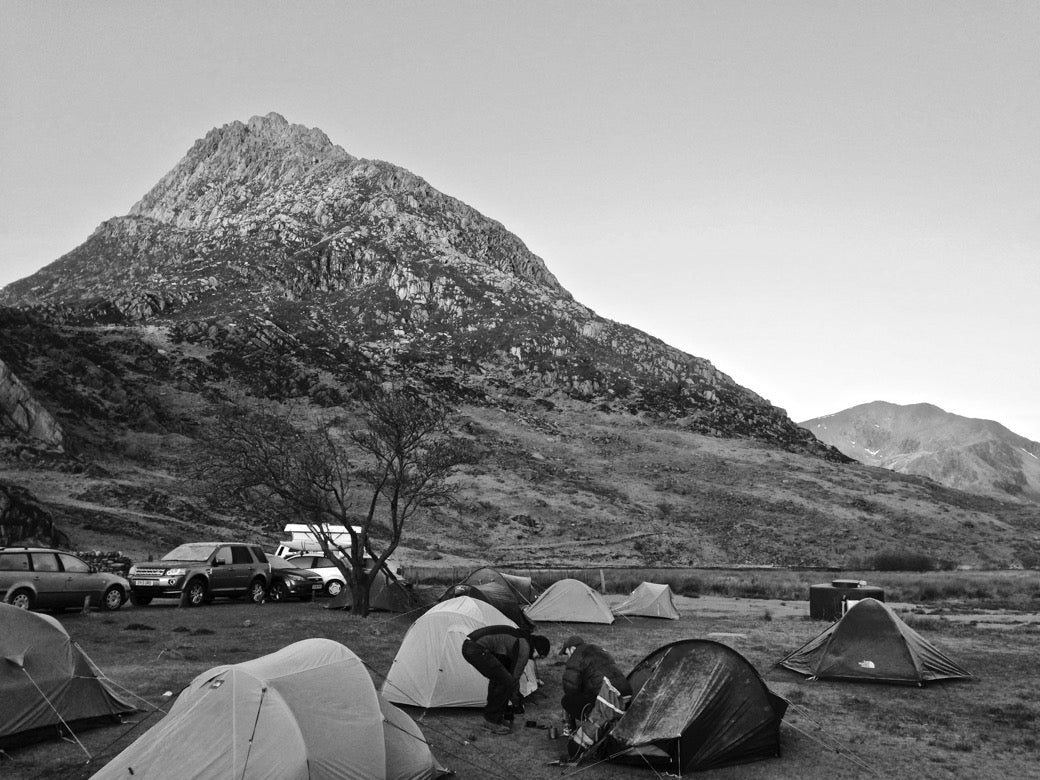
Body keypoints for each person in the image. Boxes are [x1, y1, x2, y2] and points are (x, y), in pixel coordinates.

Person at [462, 626, 551, 734]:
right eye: (539, 656)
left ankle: (495, 718)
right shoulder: (524, 647)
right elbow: (515, 676)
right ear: (537, 649)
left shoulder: (523, 639)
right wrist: (515, 700)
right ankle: (491, 720)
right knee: (505, 681)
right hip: (475, 648)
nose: (536, 659)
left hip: (471, 645)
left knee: (499, 678)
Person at [559, 635, 632, 730]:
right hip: (626, 694)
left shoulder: (576, 656)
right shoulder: (600, 650)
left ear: (572, 649)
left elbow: (570, 688)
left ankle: (594, 722)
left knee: (567, 700)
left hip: (608, 698)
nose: (568, 657)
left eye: (567, 653)